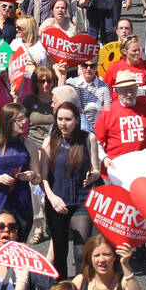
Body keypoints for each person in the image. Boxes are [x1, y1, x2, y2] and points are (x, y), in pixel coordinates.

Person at [41, 101, 101, 277]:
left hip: (81, 200)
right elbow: (43, 178)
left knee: (81, 251)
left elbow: (96, 169)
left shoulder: (88, 138)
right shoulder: (50, 141)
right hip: (57, 201)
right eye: (60, 119)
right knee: (60, 252)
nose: (63, 123)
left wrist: (93, 175)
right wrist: (52, 198)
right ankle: (61, 289)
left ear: (77, 120)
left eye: (68, 119)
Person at [0, 103, 42, 232]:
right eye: (19, 120)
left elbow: (38, 178)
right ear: (7, 122)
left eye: (25, 118)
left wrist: (33, 176)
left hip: (21, 203)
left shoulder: (29, 145)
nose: (24, 122)